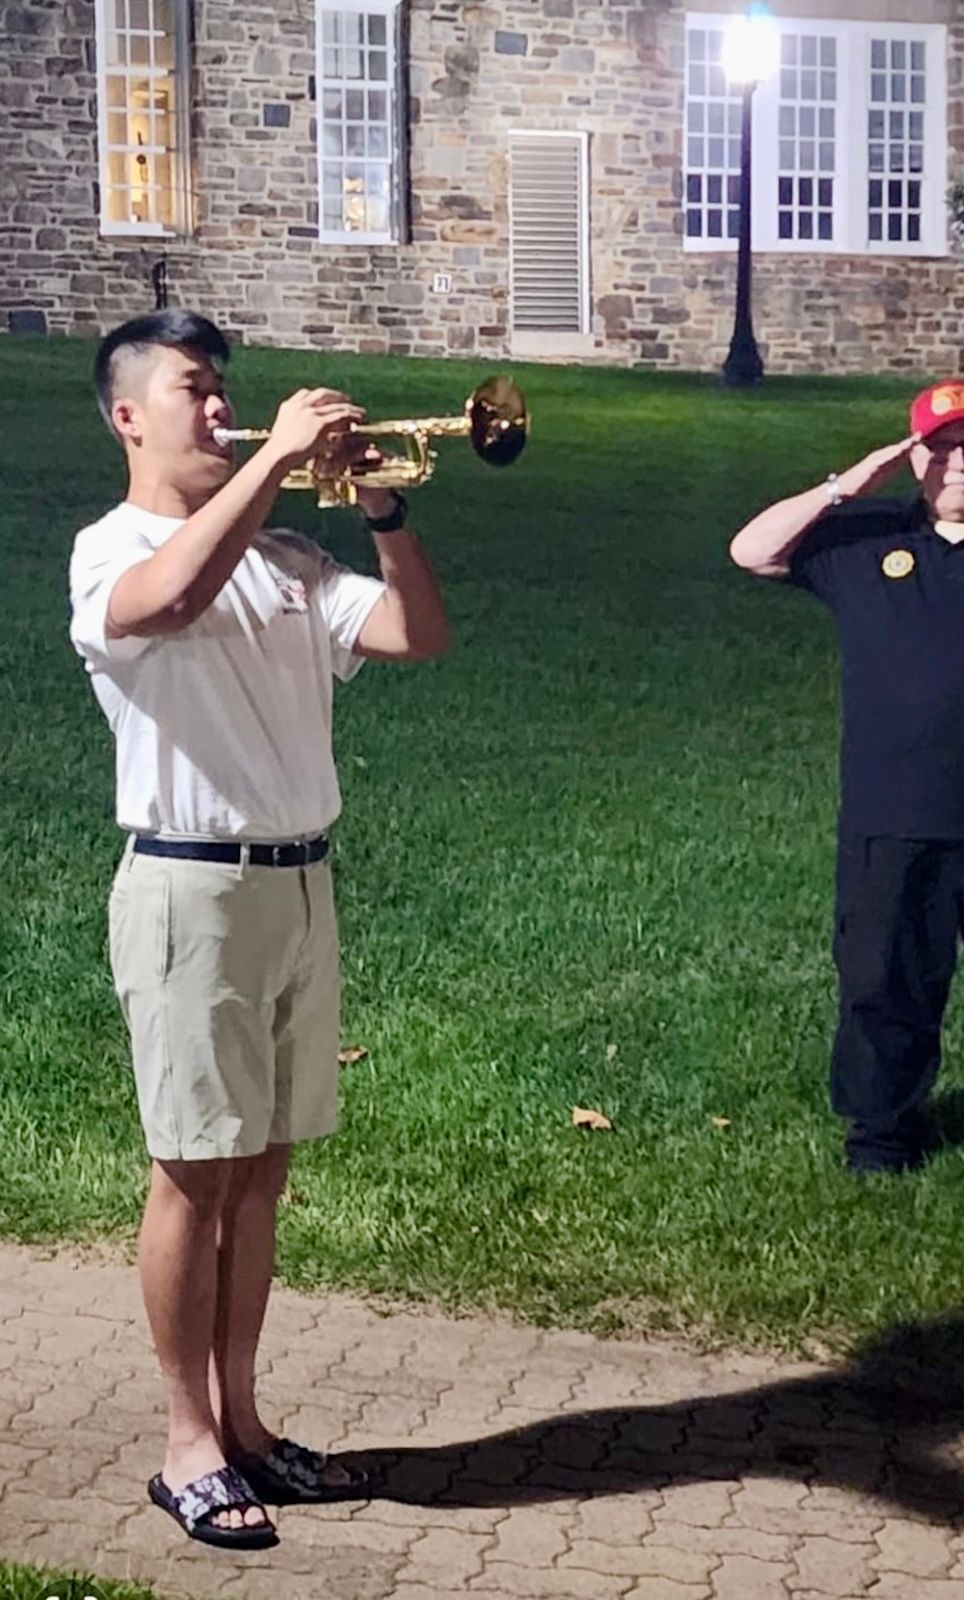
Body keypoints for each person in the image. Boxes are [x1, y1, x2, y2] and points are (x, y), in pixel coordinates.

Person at [69, 310, 450, 1549]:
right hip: (190, 887)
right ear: (130, 415)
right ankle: (186, 1446)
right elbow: (169, 599)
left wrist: (387, 517)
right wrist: (278, 458)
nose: (220, 403)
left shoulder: (287, 554)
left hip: (298, 882)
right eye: (196, 387)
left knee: (262, 1171)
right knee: (192, 1169)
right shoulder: (108, 549)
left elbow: (415, 636)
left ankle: (243, 1422)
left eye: (224, 386)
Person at [728, 380, 964, 1185]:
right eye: (940, 445)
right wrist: (849, 483)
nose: (960, 461)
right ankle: (883, 1137)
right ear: (915, 456)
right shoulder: (864, 538)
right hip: (891, 818)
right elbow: (751, 551)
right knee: (884, 984)